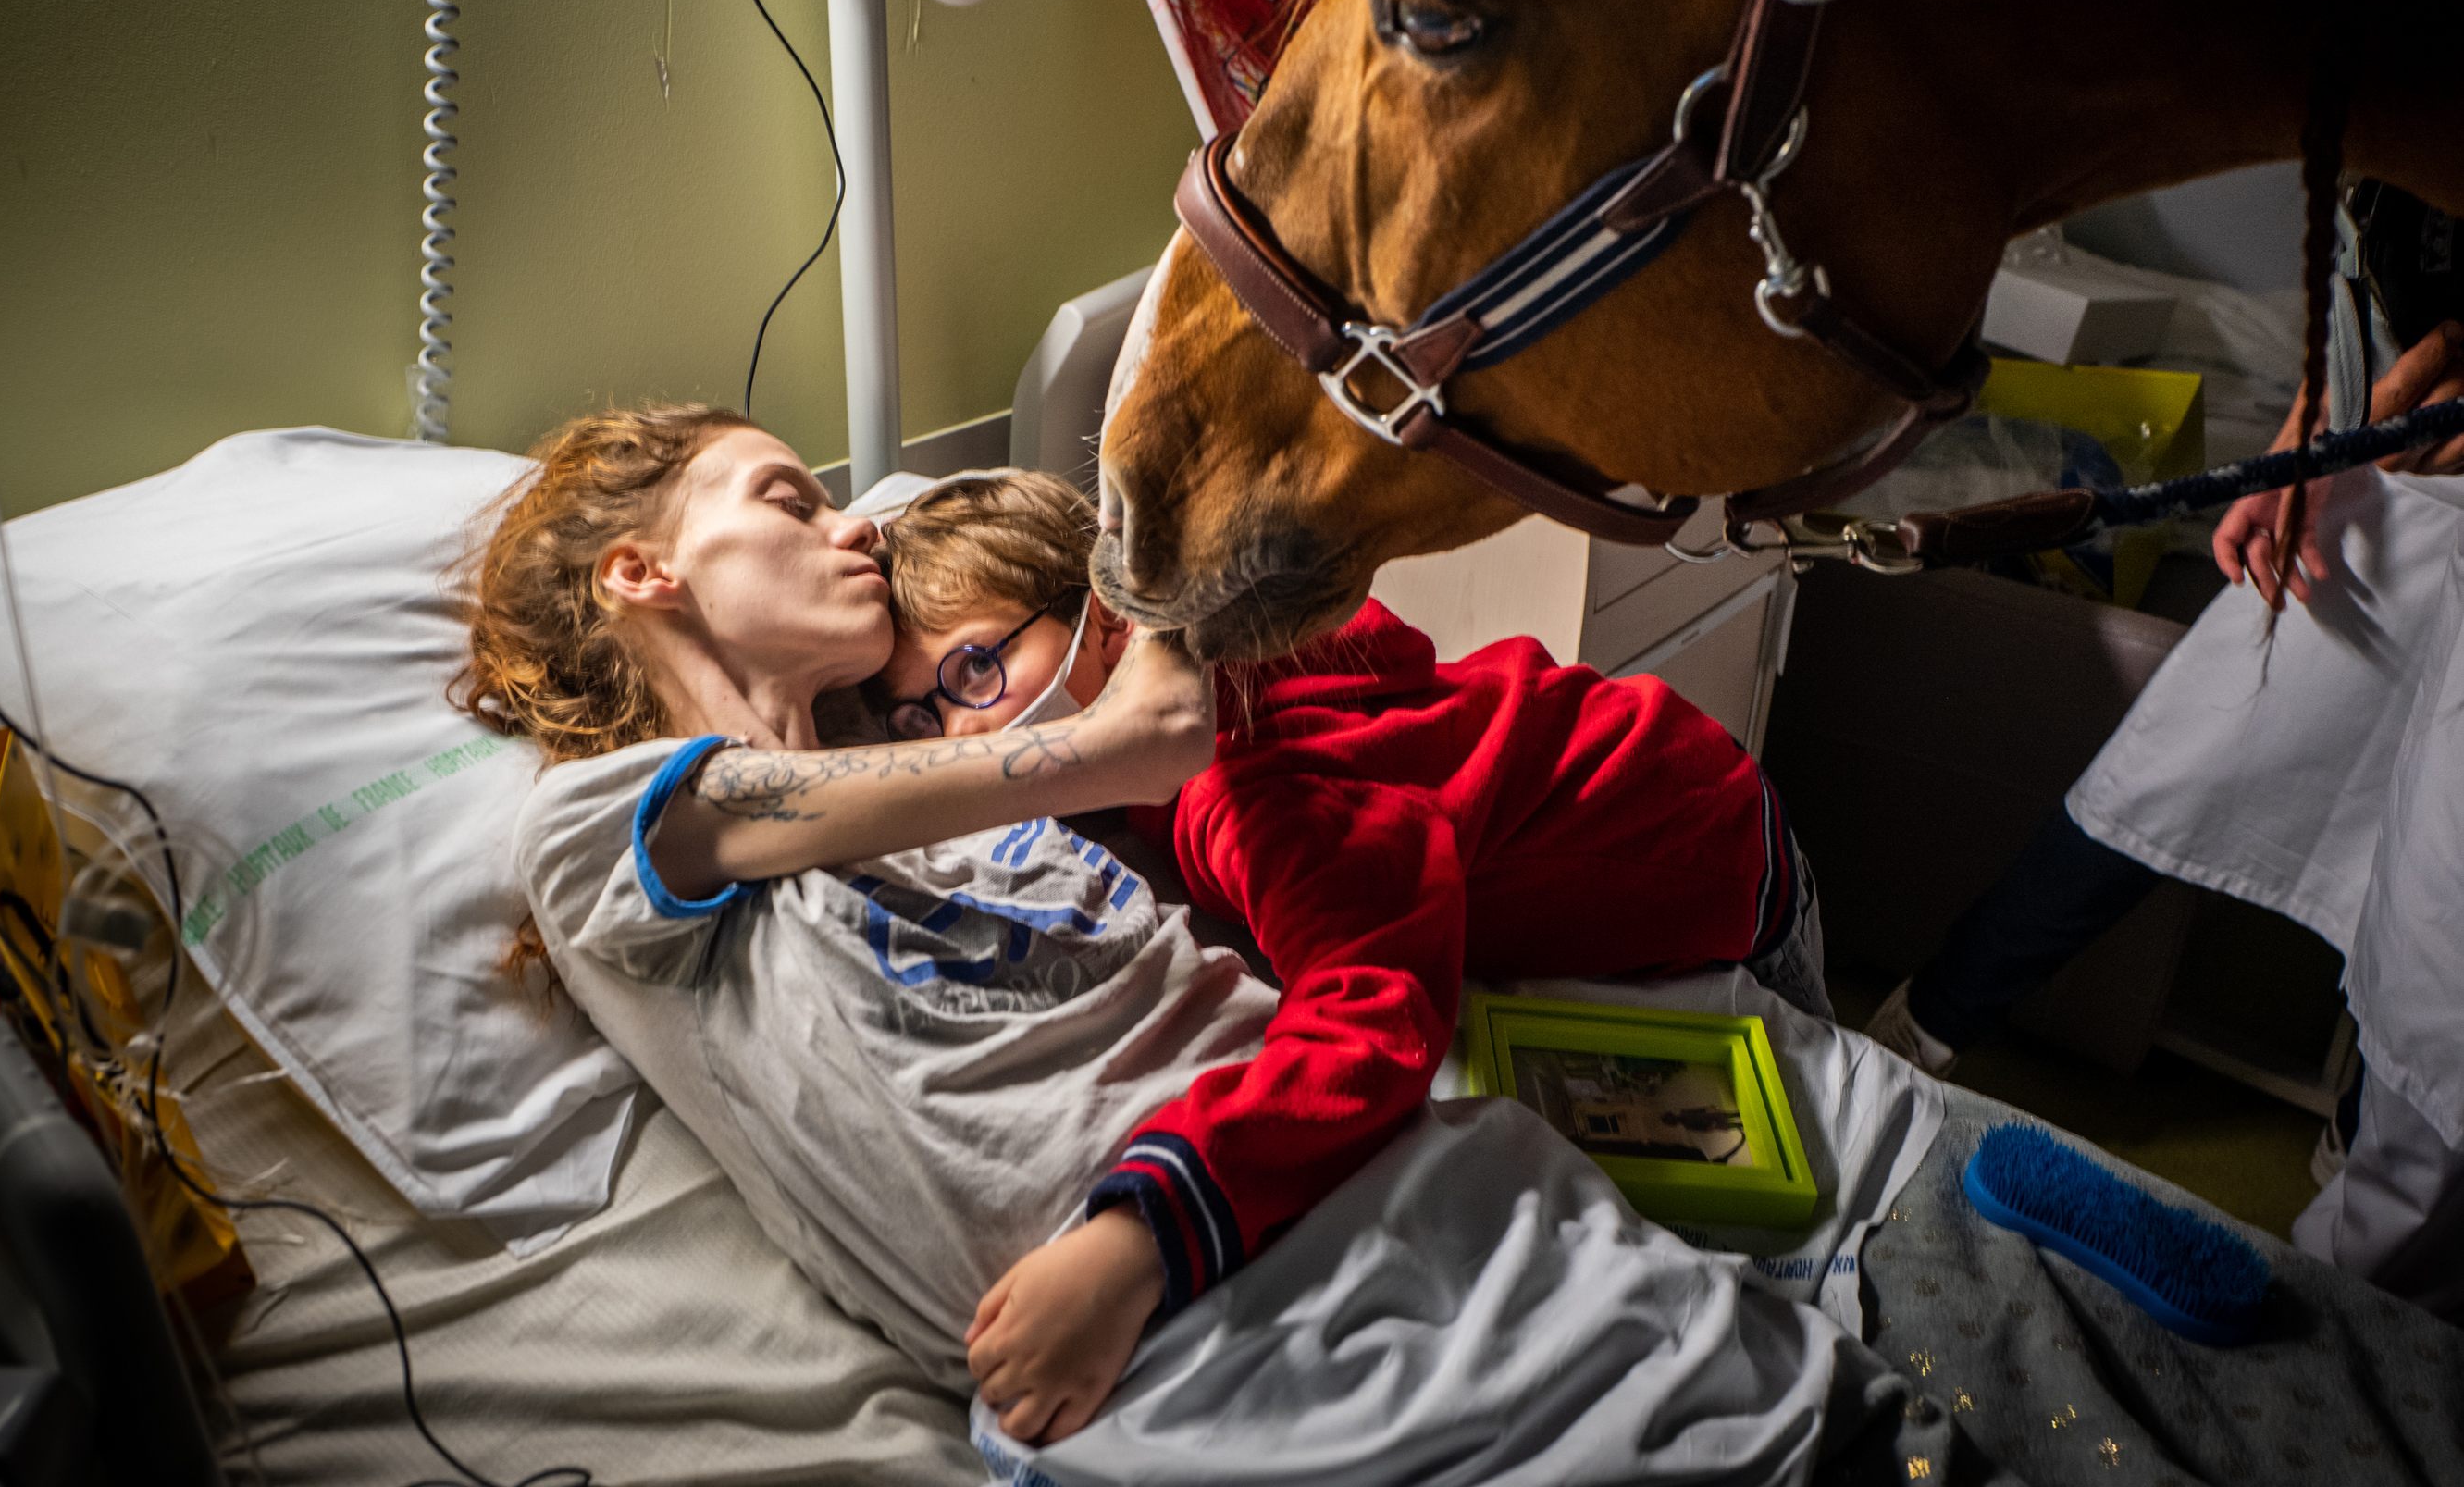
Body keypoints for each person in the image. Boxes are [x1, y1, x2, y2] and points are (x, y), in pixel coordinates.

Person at [461, 405, 1916, 1468]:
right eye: (787, 498)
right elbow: (1127, 754)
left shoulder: (1044, 804)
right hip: (1245, 1323)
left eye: (970, 675)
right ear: (642, 574)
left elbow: (1226, 821)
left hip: (1621, 957)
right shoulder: (597, 828)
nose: (847, 521)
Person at [870, 470, 1828, 1413]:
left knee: (1805, 1148)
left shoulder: (1256, 784)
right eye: (923, 713)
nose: (961, 732)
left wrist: (1143, 1237)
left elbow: (1373, 1014)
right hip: (1631, 765)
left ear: (1108, 621)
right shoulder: (1218, 682)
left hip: (1713, 847)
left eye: (974, 671)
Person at [1865, 222, 2464, 1324]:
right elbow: (2354, 296)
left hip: (2438, 465)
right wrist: (2296, 450)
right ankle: (1926, 1023)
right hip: (2382, 482)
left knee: (2440, 936)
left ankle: (2351, 1320)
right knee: (2157, 776)